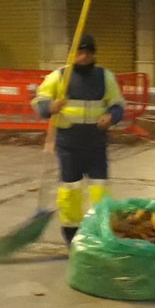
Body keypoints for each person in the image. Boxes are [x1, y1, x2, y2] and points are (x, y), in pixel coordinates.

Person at [32, 34, 126, 246]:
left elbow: (118, 104)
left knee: (100, 189)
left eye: (87, 53)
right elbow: (39, 101)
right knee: (70, 190)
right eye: (79, 52)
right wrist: (50, 107)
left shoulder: (106, 77)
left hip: (96, 145)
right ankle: (71, 233)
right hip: (69, 146)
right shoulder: (59, 77)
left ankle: (102, 230)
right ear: (71, 54)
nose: (83, 57)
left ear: (94, 55)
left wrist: (111, 116)